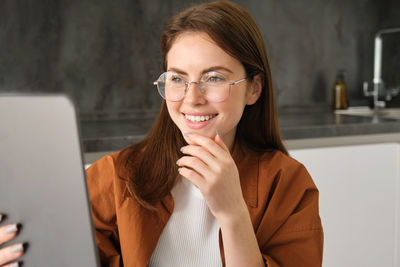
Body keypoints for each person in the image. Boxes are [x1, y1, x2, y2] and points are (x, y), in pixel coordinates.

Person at [0, 0, 323, 266]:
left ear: (254, 89)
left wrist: (232, 212)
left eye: (213, 78)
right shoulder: (116, 175)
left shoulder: (288, 183)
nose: (192, 98)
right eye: (177, 78)